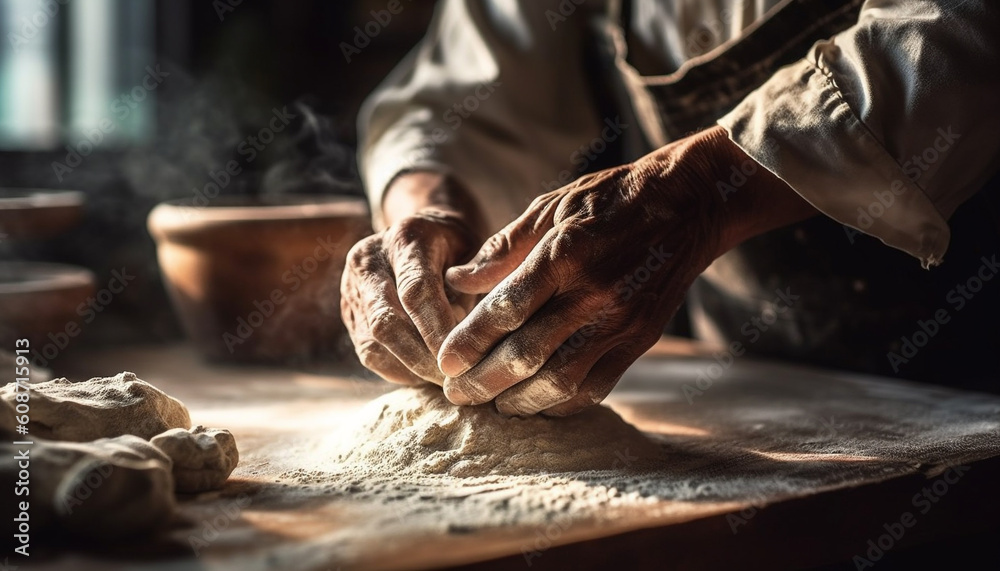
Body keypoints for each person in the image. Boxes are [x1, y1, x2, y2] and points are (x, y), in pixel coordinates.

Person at [341, 0, 1000, 417]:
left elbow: (964, 34)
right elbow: (464, 91)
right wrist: (425, 210)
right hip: (750, 402)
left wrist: (705, 188)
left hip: (972, 373)